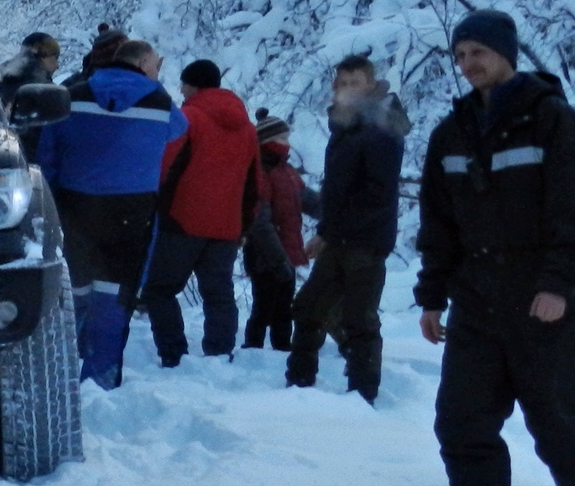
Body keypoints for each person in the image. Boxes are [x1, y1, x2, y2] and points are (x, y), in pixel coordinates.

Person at [416, 10, 575, 486]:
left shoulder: (555, 123)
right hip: (476, 297)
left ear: (506, 53)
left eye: (477, 52)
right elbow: (437, 223)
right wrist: (432, 295)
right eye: (459, 55)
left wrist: (559, 285)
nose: (467, 64)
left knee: (557, 420)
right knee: (461, 418)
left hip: (542, 298)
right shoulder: (450, 134)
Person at [36, 38, 186, 388]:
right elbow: (179, 131)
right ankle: (101, 377)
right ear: (144, 62)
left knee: (72, 290)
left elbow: (48, 152)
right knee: (115, 292)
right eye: (156, 65)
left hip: (75, 206)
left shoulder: (73, 95)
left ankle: (59, 374)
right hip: (132, 211)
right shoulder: (159, 101)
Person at [286, 55, 408, 403]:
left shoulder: (380, 127)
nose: (349, 90)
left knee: (359, 320)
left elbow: (375, 192)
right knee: (309, 308)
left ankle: (362, 399)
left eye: (357, 83)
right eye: (344, 83)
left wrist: (331, 230)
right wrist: (326, 229)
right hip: (341, 235)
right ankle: (297, 385)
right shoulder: (348, 126)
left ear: (370, 86)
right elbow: (339, 190)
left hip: (365, 239)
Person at [142, 59, 262, 365]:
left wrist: (155, 206)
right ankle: (219, 354)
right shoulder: (247, 128)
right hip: (226, 226)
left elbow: (167, 166)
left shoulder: (187, 118)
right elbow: (253, 182)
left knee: (159, 289)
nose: (180, 90)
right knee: (219, 294)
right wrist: (244, 225)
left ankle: (174, 355)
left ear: (192, 84)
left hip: (183, 219)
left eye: (183, 84)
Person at [244, 110, 312, 348]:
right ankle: (253, 351)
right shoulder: (260, 172)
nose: (287, 144)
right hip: (266, 255)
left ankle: (282, 350)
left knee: (284, 309)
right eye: (282, 139)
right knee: (263, 308)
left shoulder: (286, 171)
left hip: (286, 253)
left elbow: (308, 200)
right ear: (266, 142)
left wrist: (336, 209)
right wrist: (278, 259)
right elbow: (259, 222)